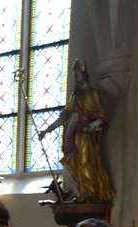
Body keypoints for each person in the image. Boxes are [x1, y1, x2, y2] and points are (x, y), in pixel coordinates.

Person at [38, 59, 115, 203]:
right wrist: (46, 131)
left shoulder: (93, 93)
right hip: (71, 134)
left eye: (77, 75)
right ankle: (79, 193)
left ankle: (90, 193)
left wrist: (98, 121)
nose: (75, 78)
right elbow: (64, 117)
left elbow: (101, 114)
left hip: (84, 135)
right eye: (74, 75)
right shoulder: (74, 96)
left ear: (84, 75)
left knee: (85, 162)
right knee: (72, 162)